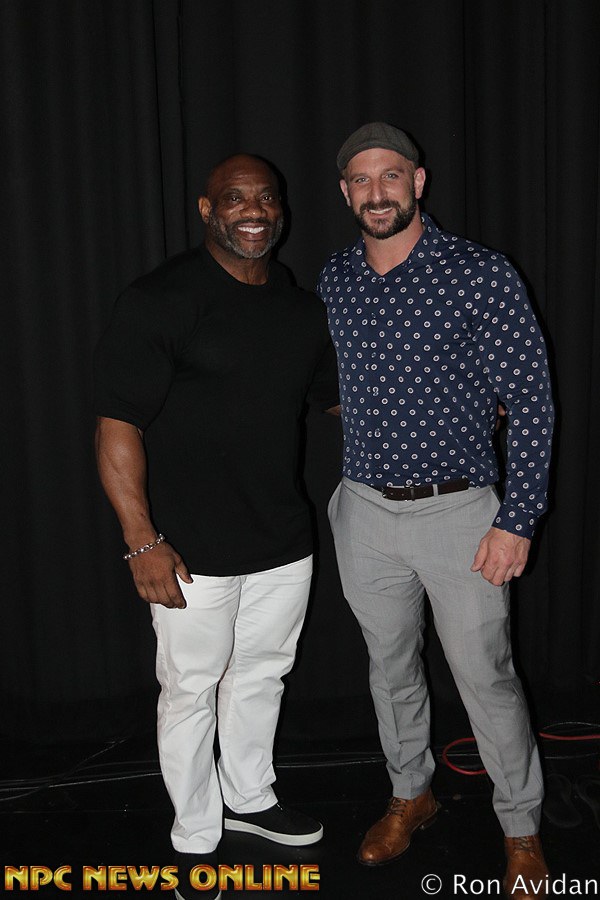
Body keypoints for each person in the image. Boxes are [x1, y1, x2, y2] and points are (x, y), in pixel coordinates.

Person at [317, 123, 554, 900]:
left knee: (485, 677)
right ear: (345, 191)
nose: (376, 191)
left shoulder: (479, 273)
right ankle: (410, 794)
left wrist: (517, 519)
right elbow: (335, 379)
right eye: (361, 178)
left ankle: (520, 828)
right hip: (363, 510)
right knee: (389, 670)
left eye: (391, 174)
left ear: (417, 182)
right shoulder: (335, 279)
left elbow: (532, 401)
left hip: (460, 516)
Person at [94, 154, 337, 900]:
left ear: (281, 209)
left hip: (283, 542)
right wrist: (141, 540)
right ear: (208, 210)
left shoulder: (300, 309)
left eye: (266, 197)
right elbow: (117, 424)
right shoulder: (161, 299)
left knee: (262, 677)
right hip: (187, 551)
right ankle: (196, 834)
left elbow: (337, 400)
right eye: (235, 198)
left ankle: (251, 798)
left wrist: (455, 403)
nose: (254, 211)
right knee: (191, 690)